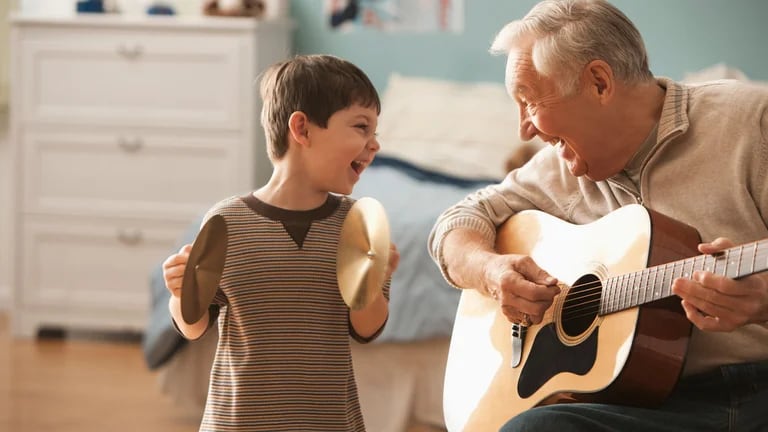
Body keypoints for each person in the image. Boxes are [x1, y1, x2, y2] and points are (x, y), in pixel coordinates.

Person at [428, 0, 768, 431]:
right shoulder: (560, 167)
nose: (523, 130)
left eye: (529, 101)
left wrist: (763, 301)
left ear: (599, 83)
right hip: (634, 403)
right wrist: (490, 271)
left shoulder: (751, 122)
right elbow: (458, 221)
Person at [162, 54, 399, 432]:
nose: (374, 145)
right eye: (361, 127)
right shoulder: (227, 222)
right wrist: (180, 292)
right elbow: (193, 326)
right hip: (237, 423)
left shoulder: (359, 226)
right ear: (302, 128)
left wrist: (373, 281)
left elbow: (367, 330)